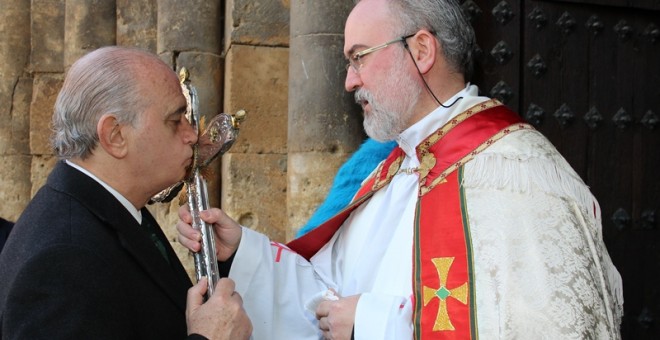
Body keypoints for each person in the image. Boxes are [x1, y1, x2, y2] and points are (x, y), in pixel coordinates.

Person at [178, 0, 623, 339]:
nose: (350, 80)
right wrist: (243, 252)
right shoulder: (395, 169)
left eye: (359, 57)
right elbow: (327, 296)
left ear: (422, 49)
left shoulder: (515, 174)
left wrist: (371, 323)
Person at [0, 46, 252, 340]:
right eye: (175, 120)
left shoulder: (107, 209)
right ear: (115, 136)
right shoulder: (64, 259)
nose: (192, 135)